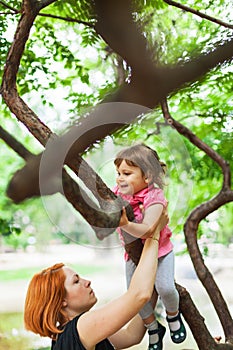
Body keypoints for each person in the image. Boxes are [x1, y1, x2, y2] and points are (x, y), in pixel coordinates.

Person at [24, 208, 168, 350]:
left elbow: (131, 335)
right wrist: (153, 233)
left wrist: (155, 279)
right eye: (76, 281)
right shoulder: (82, 327)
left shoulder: (68, 336)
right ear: (61, 301)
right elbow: (138, 295)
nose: (87, 282)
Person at [113, 143, 186, 350]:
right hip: (135, 255)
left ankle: (173, 314)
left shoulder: (155, 197)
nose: (120, 178)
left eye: (127, 173)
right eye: (118, 173)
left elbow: (147, 230)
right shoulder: (118, 193)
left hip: (160, 252)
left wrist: (126, 224)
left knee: (165, 287)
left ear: (148, 177)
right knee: (135, 296)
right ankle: (153, 327)